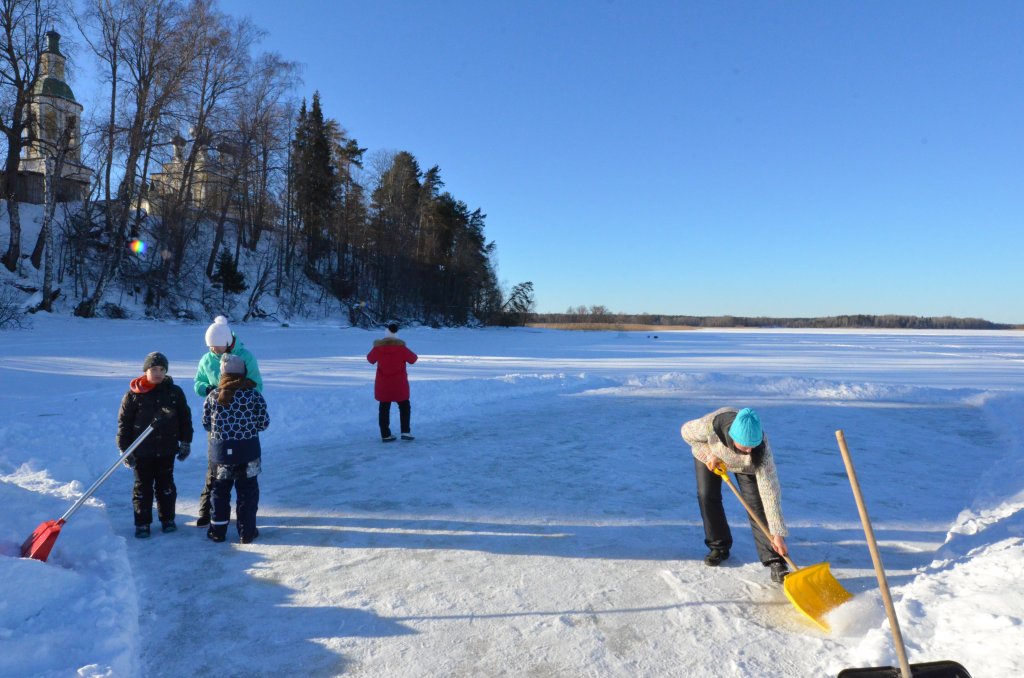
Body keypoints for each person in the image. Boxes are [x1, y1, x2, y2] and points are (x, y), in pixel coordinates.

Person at [680, 407, 790, 584]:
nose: (748, 451)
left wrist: (777, 533)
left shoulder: (760, 449)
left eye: (752, 446)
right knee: (707, 495)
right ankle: (719, 547)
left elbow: (770, 492)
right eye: (744, 447)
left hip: (747, 467)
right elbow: (686, 432)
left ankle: (774, 560)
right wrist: (710, 454)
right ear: (732, 438)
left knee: (756, 504)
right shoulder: (710, 425)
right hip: (712, 456)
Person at [193, 315, 263, 527]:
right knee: (214, 471)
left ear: (226, 343)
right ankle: (207, 511)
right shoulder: (207, 359)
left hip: (242, 423)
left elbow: (257, 386)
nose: (213, 351)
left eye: (216, 347)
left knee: (244, 478)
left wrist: (235, 392)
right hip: (219, 423)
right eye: (210, 347)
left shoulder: (245, 357)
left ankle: (242, 520)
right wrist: (210, 391)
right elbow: (198, 383)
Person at [117, 352, 193, 539]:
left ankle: (168, 519)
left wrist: (185, 441)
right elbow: (124, 425)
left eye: (162, 369)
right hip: (142, 451)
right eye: (153, 369)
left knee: (166, 485)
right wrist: (125, 449)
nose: (158, 373)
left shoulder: (174, 392)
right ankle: (142, 523)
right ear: (146, 371)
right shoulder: (133, 395)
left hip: (166, 448)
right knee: (142, 488)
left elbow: (185, 419)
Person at [202, 353, 269, 544]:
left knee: (220, 492)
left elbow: (206, 423)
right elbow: (264, 423)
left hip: (221, 453)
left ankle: (218, 531)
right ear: (243, 372)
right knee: (247, 493)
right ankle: (246, 532)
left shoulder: (213, 396)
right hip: (248, 452)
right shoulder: (253, 395)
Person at [367, 322, 418, 442]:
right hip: (399, 384)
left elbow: (370, 359)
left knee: (384, 408)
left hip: (383, 384)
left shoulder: (378, 348)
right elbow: (413, 359)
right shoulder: (401, 348)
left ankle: (385, 434)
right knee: (404, 406)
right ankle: (405, 431)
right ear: (396, 335)